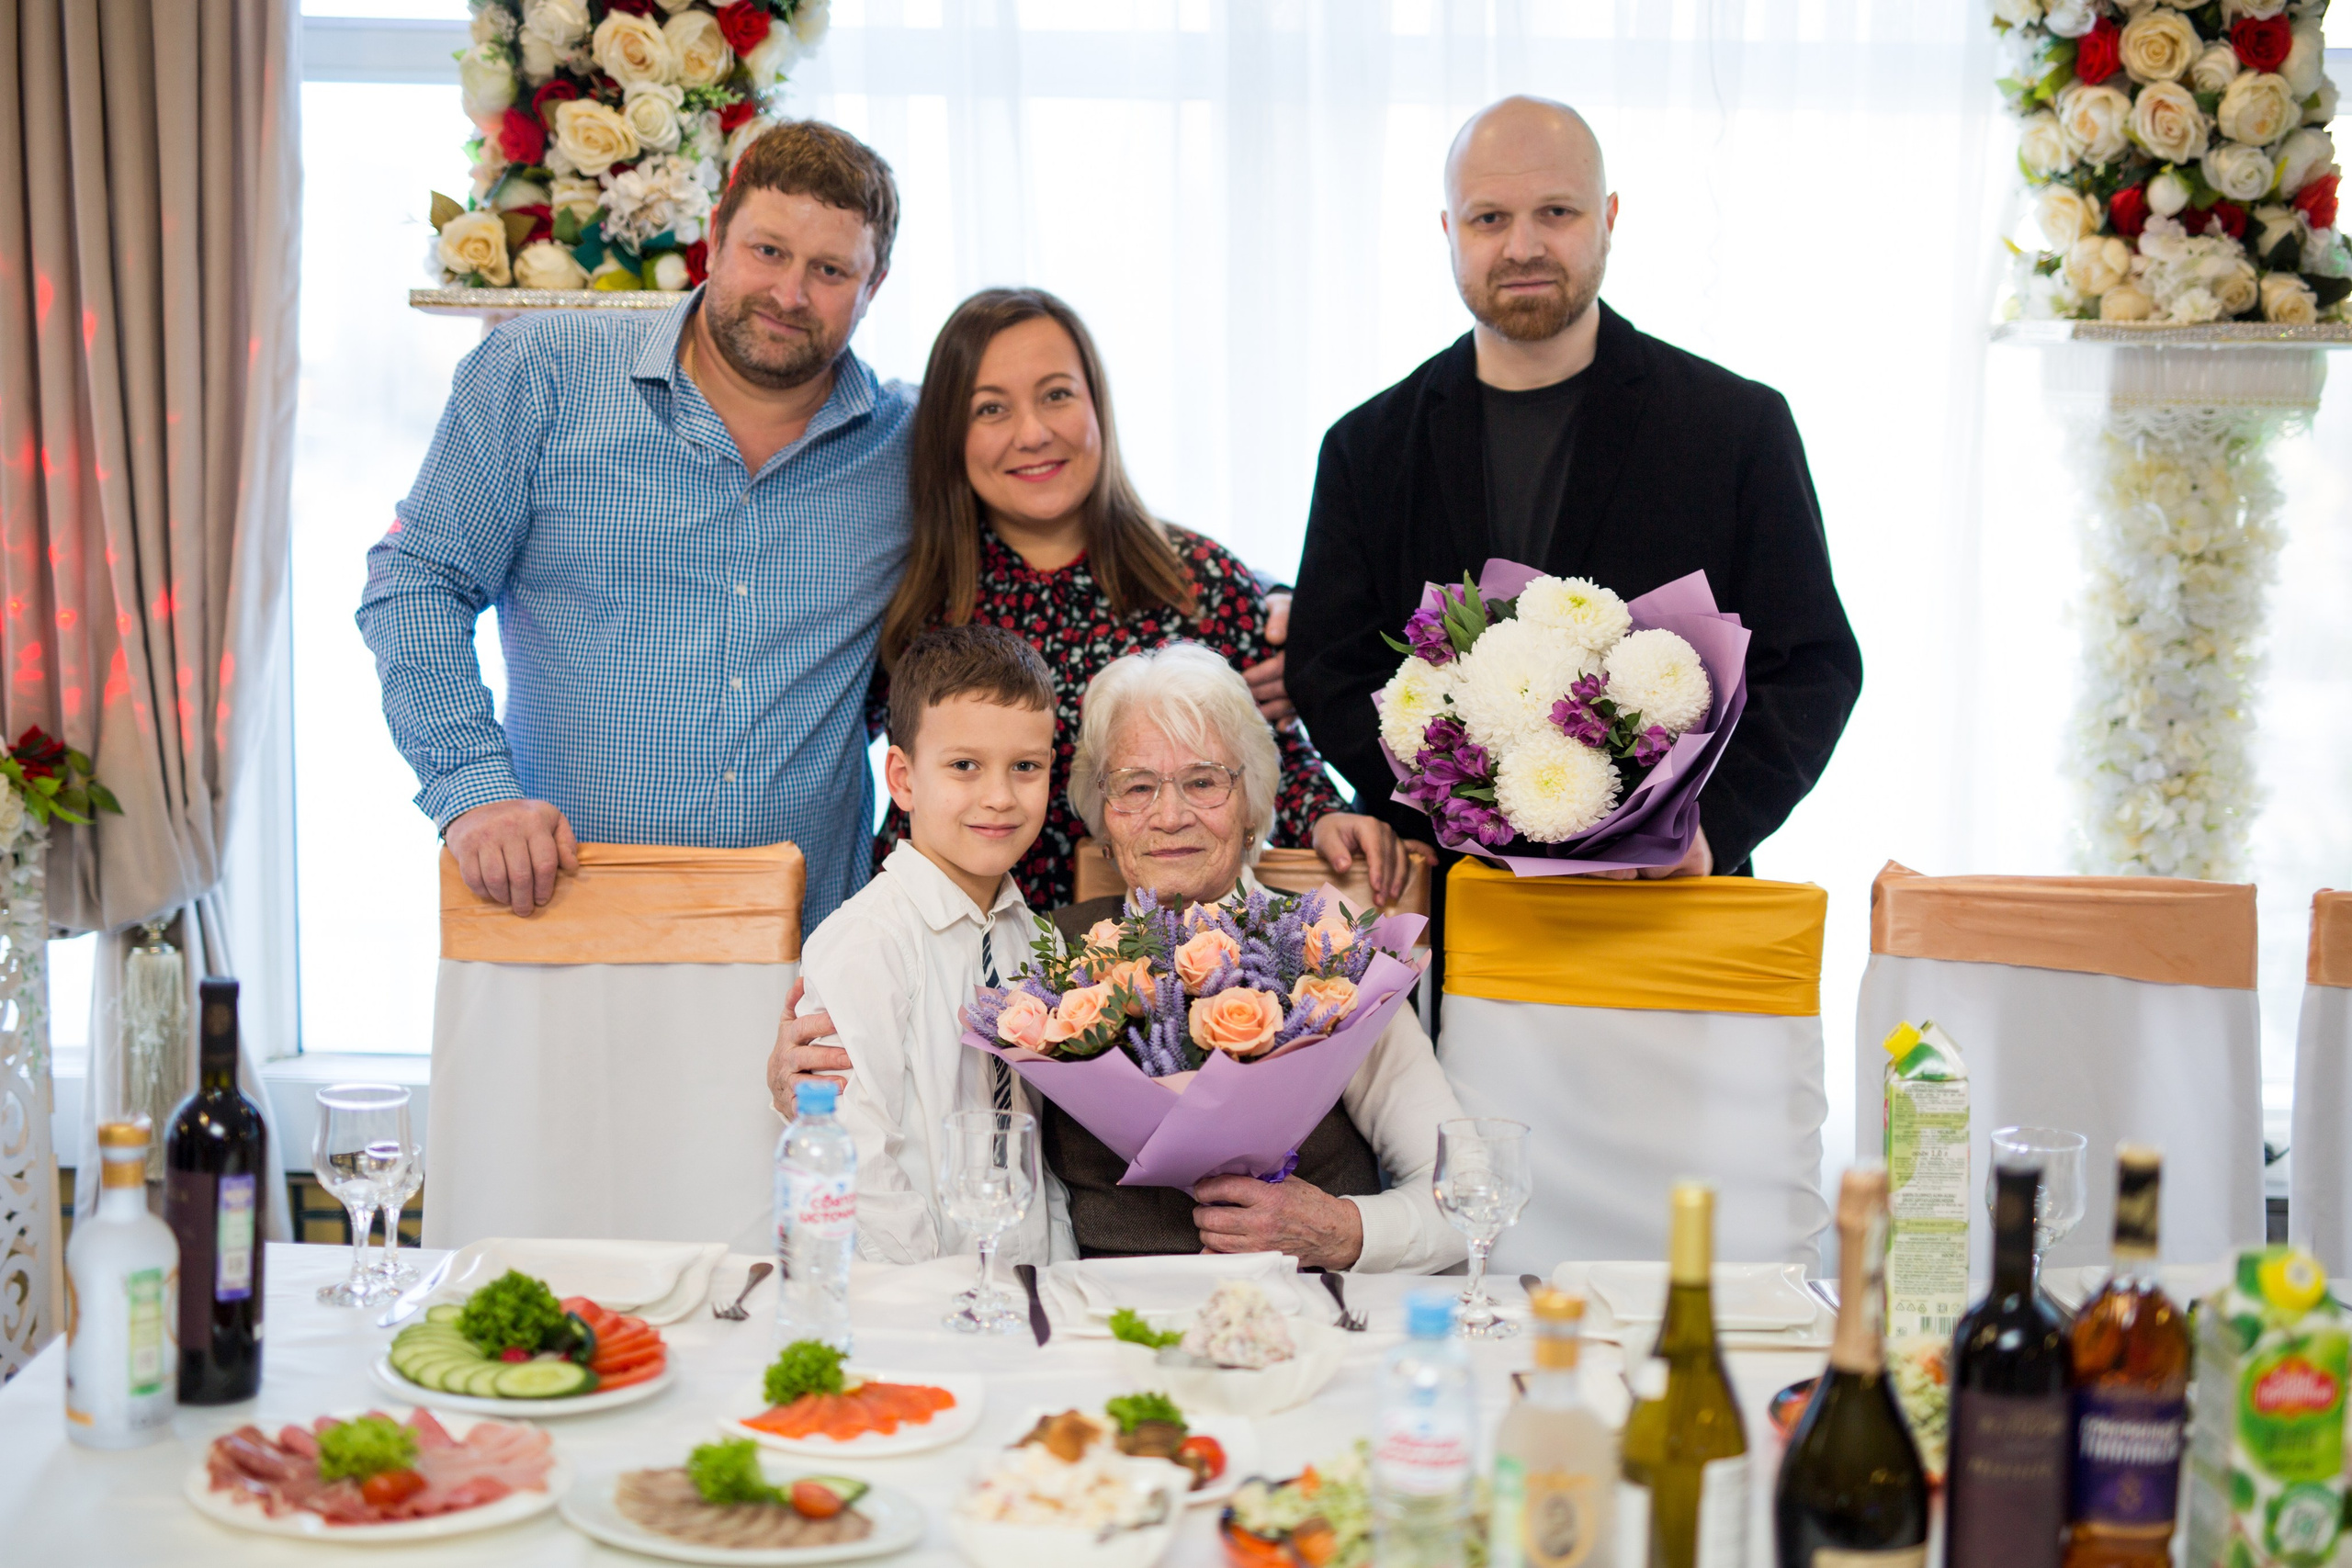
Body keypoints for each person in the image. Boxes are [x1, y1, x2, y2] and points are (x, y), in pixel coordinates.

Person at [1288, 96, 1861, 886]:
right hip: (1445, 894)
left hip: (1667, 897)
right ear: (1449, 231)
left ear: (1610, 217)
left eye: (1555, 211)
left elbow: (1812, 666)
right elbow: (1332, 671)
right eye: (1489, 218)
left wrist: (1707, 829)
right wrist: (1455, 802)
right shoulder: (1366, 446)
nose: (1522, 246)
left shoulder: (1737, 426)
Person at [360, 119, 912, 932]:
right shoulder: (539, 373)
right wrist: (475, 790)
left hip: (810, 956)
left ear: (875, 285)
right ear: (716, 237)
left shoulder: (908, 442)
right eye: (767, 251)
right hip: (565, 920)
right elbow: (416, 582)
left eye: (830, 270)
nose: (791, 295)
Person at [776, 644, 1467, 1275]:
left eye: (1204, 781)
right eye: (1137, 786)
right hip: (1089, 1328)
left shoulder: (1332, 958)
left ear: (1254, 801)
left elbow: (1466, 1192)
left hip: (1303, 1315)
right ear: (1102, 813)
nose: (1169, 815)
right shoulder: (1044, 955)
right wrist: (806, 1089)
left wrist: (1344, 1230)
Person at [873, 287, 1406, 914]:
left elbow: (1261, 749)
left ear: (1097, 404)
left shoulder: (1200, 582)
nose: (1033, 432)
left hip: (1163, 968)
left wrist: (1321, 814)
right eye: (991, 408)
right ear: (950, 433)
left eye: (1057, 395)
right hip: (968, 957)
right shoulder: (921, 606)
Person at [793, 625, 1071, 1265]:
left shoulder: (1036, 940)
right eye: (964, 766)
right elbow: (856, 1157)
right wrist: (938, 1294)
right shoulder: (864, 942)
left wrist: (1056, 1275)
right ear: (903, 778)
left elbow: (1039, 1146)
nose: (999, 796)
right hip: (915, 1299)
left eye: (1025, 766)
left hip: (1027, 1293)